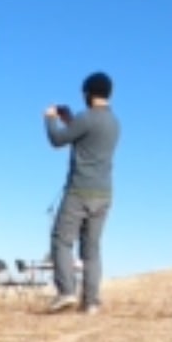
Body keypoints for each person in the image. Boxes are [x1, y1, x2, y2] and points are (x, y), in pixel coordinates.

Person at [42, 71, 120, 315]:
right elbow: (85, 138)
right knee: (92, 249)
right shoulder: (115, 123)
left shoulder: (86, 118)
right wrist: (70, 120)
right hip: (104, 193)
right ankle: (92, 302)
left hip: (79, 191)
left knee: (61, 240)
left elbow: (57, 140)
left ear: (88, 93)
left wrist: (50, 119)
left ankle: (66, 292)